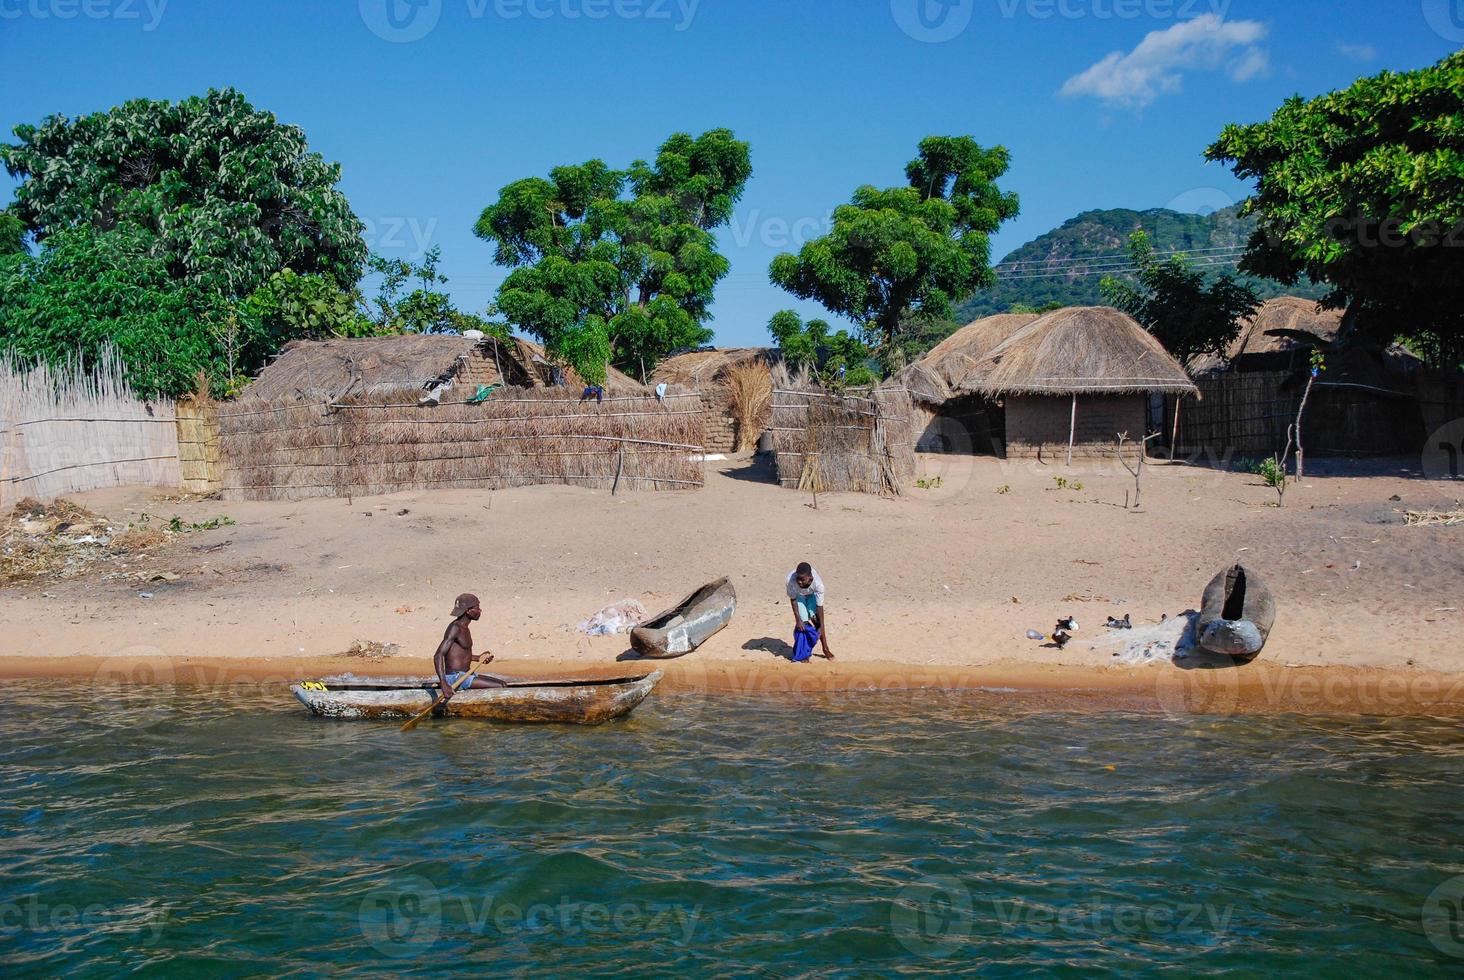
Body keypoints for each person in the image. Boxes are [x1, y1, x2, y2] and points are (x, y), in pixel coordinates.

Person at [434, 593, 506, 699]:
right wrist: (444, 684)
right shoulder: (455, 628)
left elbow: (459, 654)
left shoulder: (465, 628)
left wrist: (478, 658)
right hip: (455, 678)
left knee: (503, 684)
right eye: (477, 608)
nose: (480, 611)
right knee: (499, 687)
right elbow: (438, 655)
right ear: (468, 611)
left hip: (467, 675)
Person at [786, 562, 834, 660]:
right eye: (798, 579)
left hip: (812, 595)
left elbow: (820, 607)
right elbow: (793, 599)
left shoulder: (818, 584)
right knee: (803, 624)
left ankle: (825, 648)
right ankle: (803, 653)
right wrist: (798, 620)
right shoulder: (790, 580)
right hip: (799, 597)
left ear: (810, 578)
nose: (799, 582)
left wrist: (820, 625)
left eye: (802, 580)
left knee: (816, 621)